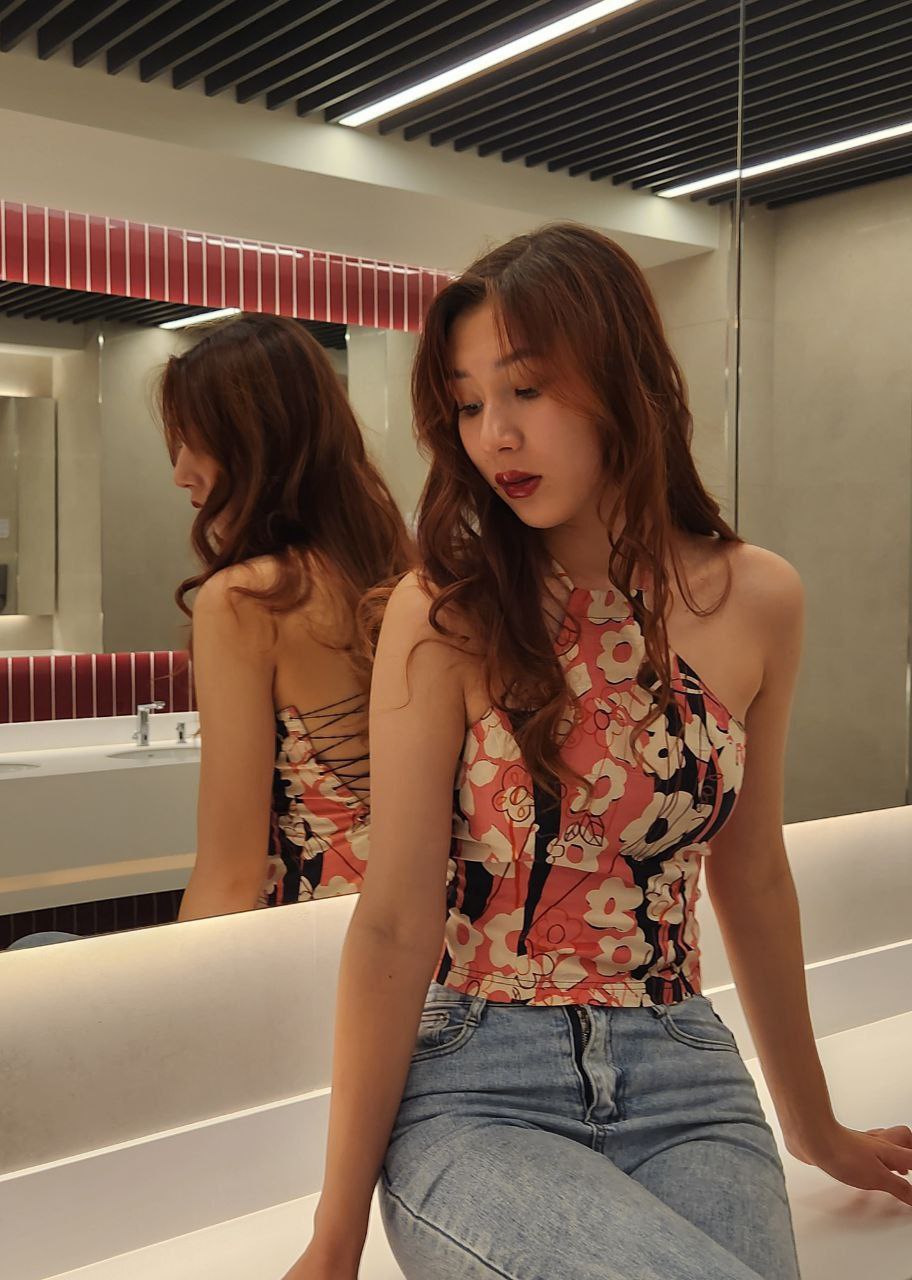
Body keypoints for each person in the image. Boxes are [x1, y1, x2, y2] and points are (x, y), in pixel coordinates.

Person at [284, 224, 912, 1280]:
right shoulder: (445, 612)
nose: (495, 435)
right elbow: (394, 919)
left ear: (623, 381)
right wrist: (334, 1235)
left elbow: (753, 873)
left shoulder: (760, 597)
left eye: (525, 389)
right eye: (468, 404)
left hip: (687, 1075)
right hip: (479, 1084)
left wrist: (814, 1123)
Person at [165, 313, 413, 919]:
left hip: (308, 941)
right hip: (416, 931)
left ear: (256, 444)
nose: (180, 472)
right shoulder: (397, 568)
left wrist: (178, 980)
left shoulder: (249, 599)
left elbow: (230, 874)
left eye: (195, 442)